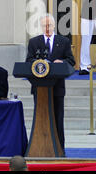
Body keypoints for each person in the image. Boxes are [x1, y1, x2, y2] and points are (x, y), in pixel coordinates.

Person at [26, 14, 75, 152]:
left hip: (57, 88)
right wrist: (37, 63)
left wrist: (62, 62)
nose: (47, 28)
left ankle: (60, 149)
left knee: (58, 119)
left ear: (54, 26)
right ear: (41, 27)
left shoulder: (63, 41)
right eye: (44, 26)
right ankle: (39, 148)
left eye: (49, 25)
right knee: (41, 118)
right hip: (39, 88)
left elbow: (71, 61)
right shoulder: (34, 42)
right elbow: (28, 61)